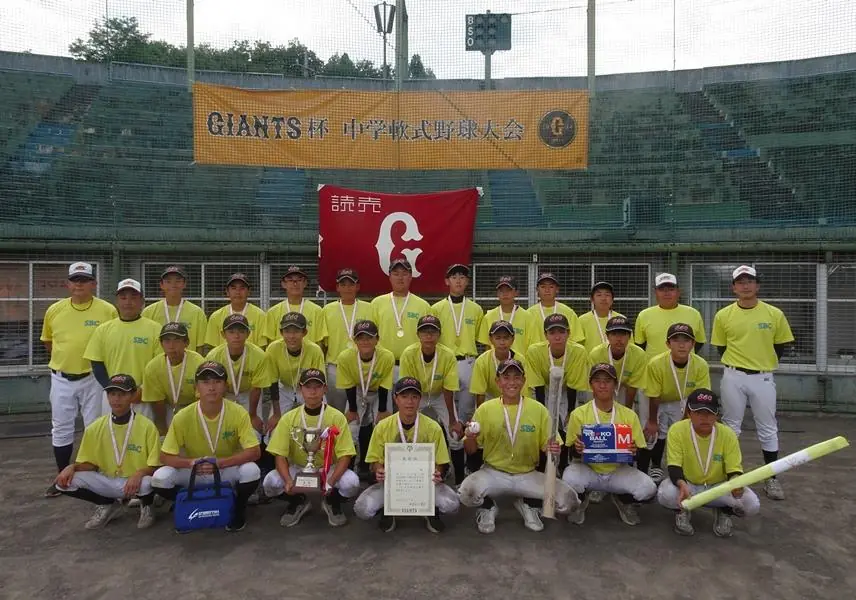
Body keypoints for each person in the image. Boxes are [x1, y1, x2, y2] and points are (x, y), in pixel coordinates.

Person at [459, 359, 577, 534]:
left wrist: (554, 451)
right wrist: (470, 437)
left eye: (516, 377)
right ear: (498, 381)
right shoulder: (485, 409)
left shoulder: (539, 410)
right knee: (466, 494)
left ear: (523, 380)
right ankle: (488, 508)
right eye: (506, 377)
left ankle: (528, 504)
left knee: (570, 502)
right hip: (493, 472)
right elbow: (471, 450)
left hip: (527, 474)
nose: (511, 382)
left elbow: (550, 448)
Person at [712, 265, 794, 501]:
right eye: (740, 282)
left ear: (757, 285)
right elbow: (721, 347)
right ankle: (729, 475)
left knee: (768, 427)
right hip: (733, 375)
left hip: (763, 376)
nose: (745, 285)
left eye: (750, 281)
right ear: (734, 287)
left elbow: (781, 346)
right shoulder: (723, 315)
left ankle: (772, 477)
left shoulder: (774, 314)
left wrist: (762, 363)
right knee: (730, 427)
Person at [151, 361, 262, 532]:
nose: (211, 387)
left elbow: (254, 452)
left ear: (225, 386)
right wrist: (192, 463)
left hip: (224, 468)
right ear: (196, 387)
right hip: (196, 470)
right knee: (160, 478)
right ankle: (186, 502)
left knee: (251, 471)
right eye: (205, 382)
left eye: (217, 382)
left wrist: (221, 463)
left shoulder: (238, 412)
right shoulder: (183, 416)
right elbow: (165, 456)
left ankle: (238, 509)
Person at [41, 261, 118, 498]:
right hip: (62, 378)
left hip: (93, 378)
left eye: (84, 280)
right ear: (68, 284)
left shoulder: (107, 310)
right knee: (61, 426)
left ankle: (96, 473)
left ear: (94, 284)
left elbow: (112, 342)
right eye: (75, 280)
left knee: (95, 426)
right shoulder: (55, 310)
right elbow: (48, 342)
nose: (79, 285)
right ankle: (62, 476)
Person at [354, 377, 460, 533]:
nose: (409, 402)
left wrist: (438, 473)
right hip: (391, 484)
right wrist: (378, 471)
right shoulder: (382, 427)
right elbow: (374, 460)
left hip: (424, 484)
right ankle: (389, 510)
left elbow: (441, 461)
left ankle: (429, 510)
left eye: (414, 397)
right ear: (395, 399)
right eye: (404, 396)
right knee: (362, 509)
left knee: (452, 504)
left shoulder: (433, 427)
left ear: (420, 399)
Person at [55, 374, 160, 530]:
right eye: (112, 394)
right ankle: (106, 504)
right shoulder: (95, 427)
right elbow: (90, 464)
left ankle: (147, 506)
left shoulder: (147, 426)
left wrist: (138, 474)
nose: (116, 399)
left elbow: (156, 465)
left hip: (136, 481)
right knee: (64, 483)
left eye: (122, 394)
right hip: (108, 480)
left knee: (152, 481)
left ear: (132, 396)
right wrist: (72, 467)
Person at [263, 368, 359, 527]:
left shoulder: (336, 417)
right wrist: (287, 481)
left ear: (325, 389)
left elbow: (346, 455)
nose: (313, 391)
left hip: (328, 468)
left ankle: (331, 500)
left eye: (317, 387)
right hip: (300, 467)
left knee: (352, 483)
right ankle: (298, 500)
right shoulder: (289, 418)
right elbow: (279, 455)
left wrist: (331, 480)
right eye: (308, 387)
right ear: (301, 389)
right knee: (270, 482)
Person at [658, 389, 761, 537]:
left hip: (717, 487)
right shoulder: (677, 430)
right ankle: (682, 511)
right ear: (689, 413)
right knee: (665, 493)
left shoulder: (727, 434)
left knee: (751, 504)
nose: (705, 418)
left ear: (716, 415)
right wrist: (682, 484)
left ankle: (724, 511)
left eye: (710, 413)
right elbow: (674, 466)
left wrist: (735, 483)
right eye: (699, 412)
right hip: (689, 485)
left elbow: (734, 470)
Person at [563, 363, 657, 526]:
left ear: (615, 385)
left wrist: (634, 451)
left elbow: (639, 453)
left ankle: (622, 500)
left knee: (648, 488)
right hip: (589, 470)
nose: (602, 385)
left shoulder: (629, 415)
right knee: (569, 478)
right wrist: (577, 449)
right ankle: (580, 503)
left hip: (617, 470)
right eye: (597, 380)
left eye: (607, 380)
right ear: (590, 384)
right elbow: (572, 454)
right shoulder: (578, 414)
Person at [430, 264, 484, 482]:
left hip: (469, 362)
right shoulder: (436, 309)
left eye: (463, 277)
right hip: (445, 362)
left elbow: (482, 341)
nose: (459, 281)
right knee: (449, 418)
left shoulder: (476, 309)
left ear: (467, 282)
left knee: (468, 417)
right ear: (447, 281)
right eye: (454, 277)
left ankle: (470, 467)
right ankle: (448, 467)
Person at [640, 323, 711, 483]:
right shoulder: (656, 363)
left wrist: (687, 417)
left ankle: (684, 469)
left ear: (693, 344)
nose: (681, 345)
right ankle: (651, 467)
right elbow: (654, 395)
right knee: (651, 433)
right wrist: (652, 420)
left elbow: (697, 396)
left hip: (682, 398)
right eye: (676, 340)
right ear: (667, 344)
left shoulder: (700, 364)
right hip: (655, 398)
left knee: (682, 430)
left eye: (686, 341)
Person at [83, 278, 162, 418]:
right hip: (113, 397)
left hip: (142, 397)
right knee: (113, 437)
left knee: (142, 437)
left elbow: (159, 366)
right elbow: (97, 364)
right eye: (123, 297)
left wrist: (143, 390)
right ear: (117, 302)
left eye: (133, 297)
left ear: (142, 301)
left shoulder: (155, 329)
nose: (128, 302)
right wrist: (112, 390)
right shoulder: (103, 330)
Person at [398, 315, 463, 483]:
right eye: (424, 332)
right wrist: (409, 413)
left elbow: (448, 389)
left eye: (432, 332)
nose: (428, 336)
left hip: (440, 395)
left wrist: (452, 420)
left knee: (455, 435)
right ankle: (403, 477)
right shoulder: (409, 353)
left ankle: (459, 480)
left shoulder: (447, 355)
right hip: (415, 395)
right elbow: (406, 388)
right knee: (405, 430)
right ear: (418, 334)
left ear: (439, 334)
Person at [526, 314, 590, 471]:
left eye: (561, 332)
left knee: (568, 424)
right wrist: (544, 414)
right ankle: (542, 463)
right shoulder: (534, 351)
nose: (557, 337)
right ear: (545, 335)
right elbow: (538, 385)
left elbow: (574, 385)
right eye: (552, 332)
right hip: (545, 388)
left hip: (567, 388)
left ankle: (566, 463)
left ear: (568, 333)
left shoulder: (578, 351)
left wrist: (570, 412)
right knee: (544, 424)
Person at [334, 319, 395, 475]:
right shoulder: (345, 357)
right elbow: (348, 385)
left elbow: (384, 386)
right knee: (352, 427)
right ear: (355, 340)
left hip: (378, 393)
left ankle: (379, 469)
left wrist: (382, 411)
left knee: (383, 427)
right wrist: (353, 410)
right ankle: (348, 470)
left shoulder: (387, 356)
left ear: (377, 339)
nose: (365, 341)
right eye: (360, 338)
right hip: (358, 391)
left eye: (369, 337)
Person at [205, 314, 276, 440]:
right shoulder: (213, 356)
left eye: (241, 331)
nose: (236, 336)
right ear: (223, 334)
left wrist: (252, 415)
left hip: (248, 394)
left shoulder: (259, 355)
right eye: (231, 332)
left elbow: (256, 388)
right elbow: (211, 387)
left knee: (254, 434)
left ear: (248, 334)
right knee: (222, 431)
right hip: (224, 394)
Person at [320, 268, 372, 413]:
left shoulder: (369, 308)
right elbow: (323, 344)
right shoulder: (327, 310)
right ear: (337, 287)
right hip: (335, 368)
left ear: (358, 286)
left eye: (351, 284)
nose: (347, 288)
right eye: (343, 284)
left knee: (357, 413)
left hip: (361, 367)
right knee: (334, 412)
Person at [370, 257, 431, 379]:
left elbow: (429, 336)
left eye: (404, 274)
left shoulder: (423, 305)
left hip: (413, 365)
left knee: (410, 398)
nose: (400, 277)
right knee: (384, 398)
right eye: (396, 274)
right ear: (389, 277)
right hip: (382, 365)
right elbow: (370, 336)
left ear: (410, 277)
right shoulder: (377, 303)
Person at [142, 322, 205, 435]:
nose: (171, 345)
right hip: (168, 406)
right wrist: (163, 431)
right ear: (161, 344)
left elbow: (202, 400)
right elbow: (157, 404)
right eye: (167, 341)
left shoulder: (198, 363)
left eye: (177, 340)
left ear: (186, 343)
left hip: (193, 406)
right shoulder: (153, 367)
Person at [265, 312, 325, 421]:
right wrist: (276, 414)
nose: (292, 336)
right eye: (287, 332)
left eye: (296, 331)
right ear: (281, 332)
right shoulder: (273, 349)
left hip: (309, 388)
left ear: (304, 332)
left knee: (320, 422)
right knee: (274, 430)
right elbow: (273, 383)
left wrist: (314, 404)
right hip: (284, 388)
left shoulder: (314, 350)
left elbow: (318, 383)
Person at [634, 273, 706, 358]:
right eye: (662, 290)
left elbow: (699, 342)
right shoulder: (643, 315)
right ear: (655, 293)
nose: (666, 293)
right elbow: (639, 345)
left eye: (671, 289)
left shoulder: (694, 314)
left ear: (678, 292)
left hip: (685, 368)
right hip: (653, 369)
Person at [141, 265, 207, 354]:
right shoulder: (149, 312)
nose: (173, 284)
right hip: (158, 364)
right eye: (168, 281)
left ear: (184, 284)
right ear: (161, 285)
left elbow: (200, 347)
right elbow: (144, 344)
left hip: (187, 364)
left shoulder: (197, 312)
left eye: (178, 281)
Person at [589, 316, 647, 409]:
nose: (619, 339)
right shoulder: (596, 354)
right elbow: (595, 384)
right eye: (614, 334)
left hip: (625, 386)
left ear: (629, 336)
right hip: (603, 385)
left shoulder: (639, 354)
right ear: (607, 336)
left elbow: (632, 387)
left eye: (623, 334)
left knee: (641, 392)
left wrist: (627, 411)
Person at [203, 273, 268, 351]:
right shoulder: (216, 316)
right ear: (227, 292)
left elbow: (261, 347)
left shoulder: (260, 315)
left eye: (242, 288)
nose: (238, 292)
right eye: (233, 288)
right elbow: (212, 348)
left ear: (249, 291)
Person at [266, 265, 326, 346]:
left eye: (299, 280)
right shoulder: (273, 312)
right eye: (290, 280)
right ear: (283, 284)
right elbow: (269, 345)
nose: (295, 283)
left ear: (305, 283)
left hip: (308, 357)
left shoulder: (317, 311)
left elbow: (320, 343)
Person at [477, 276, 536, 356]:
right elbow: (487, 346)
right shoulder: (488, 316)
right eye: (501, 291)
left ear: (516, 292)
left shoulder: (527, 317)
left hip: (519, 365)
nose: (505, 294)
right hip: (496, 365)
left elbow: (531, 347)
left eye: (509, 290)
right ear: (497, 293)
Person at [527, 272, 584, 344]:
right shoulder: (529, 314)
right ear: (537, 290)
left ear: (557, 289)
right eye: (543, 287)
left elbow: (576, 340)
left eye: (551, 287)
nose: (547, 290)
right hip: (537, 355)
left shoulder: (568, 312)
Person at [579, 281, 625, 353]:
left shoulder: (621, 319)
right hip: (591, 362)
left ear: (612, 300)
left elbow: (629, 344)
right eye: (599, 295)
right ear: (592, 300)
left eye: (607, 295)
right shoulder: (582, 320)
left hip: (615, 362)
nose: (603, 298)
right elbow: (579, 347)